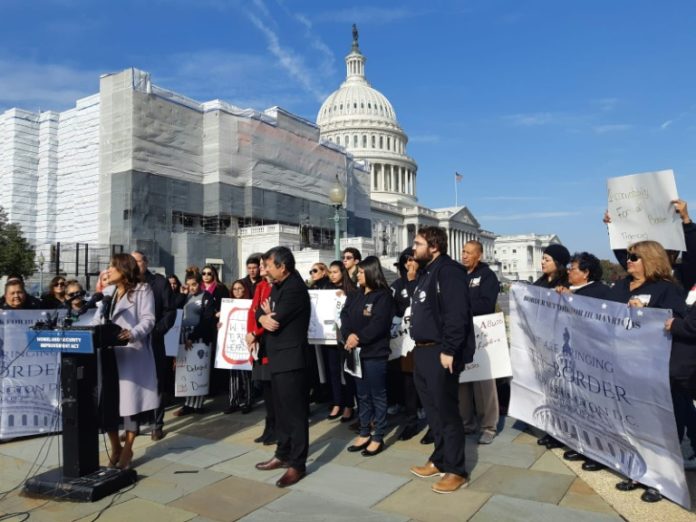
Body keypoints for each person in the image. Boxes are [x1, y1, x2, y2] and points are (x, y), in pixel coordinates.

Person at [608, 240, 687, 502]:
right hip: (623, 364)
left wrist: (647, 313)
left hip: (654, 368)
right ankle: (637, 471)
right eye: (628, 257)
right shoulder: (620, 285)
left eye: (634, 257)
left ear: (650, 260)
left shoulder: (666, 289)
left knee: (658, 423)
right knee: (632, 419)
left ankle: (663, 480)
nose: (628, 261)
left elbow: (678, 321)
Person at [408, 226, 475, 494]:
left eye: (418, 243)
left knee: (447, 413)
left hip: (441, 352)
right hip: (422, 351)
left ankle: (457, 469)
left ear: (434, 246)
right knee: (433, 412)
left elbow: (456, 315)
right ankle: (439, 459)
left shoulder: (449, 271)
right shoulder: (426, 272)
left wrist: (449, 349)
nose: (414, 248)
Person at [91, 253, 158, 470]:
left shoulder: (142, 290)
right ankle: (115, 448)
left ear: (124, 269)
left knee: (130, 404)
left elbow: (149, 319)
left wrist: (133, 333)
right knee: (108, 403)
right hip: (109, 354)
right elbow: (97, 320)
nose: (108, 271)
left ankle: (128, 448)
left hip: (130, 353)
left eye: (112, 267)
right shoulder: (107, 294)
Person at [254, 246, 311, 488]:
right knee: (281, 411)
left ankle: (297, 464)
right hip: (277, 358)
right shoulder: (276, 286)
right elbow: (260, 309)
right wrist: (262, 317)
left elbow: (276, 321)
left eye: (269, 265)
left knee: (296, 415)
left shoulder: (295, 289)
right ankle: (282, 453)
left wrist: (268, 317)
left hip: (291, 360)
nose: (264, 270)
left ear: (282, 267)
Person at [555, 252, 610, 470]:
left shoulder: (601, 293)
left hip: (594, 360)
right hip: (575, 357)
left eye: (573, 268)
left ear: (586, 273)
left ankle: (599, 453)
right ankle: (582, 444)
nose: (568, 271)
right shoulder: (571, 291)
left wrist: (572, 300)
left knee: (595, 407)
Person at [341, 256, 395, 456]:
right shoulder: (355, 295)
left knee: (377, 395)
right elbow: (344, 316)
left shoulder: (383, 296)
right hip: (355, 353)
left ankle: (378, 435)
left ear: (372, 272)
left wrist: (359, 338)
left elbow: (379, 325)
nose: (358, 275)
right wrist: (349, 336)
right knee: (362, 395)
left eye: (362, 272)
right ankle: (364, 431)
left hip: (375, 353)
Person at [459, 240, 500, 445]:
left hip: (483, 335)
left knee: (484, 383)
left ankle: (488, 426)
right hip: (461, 335)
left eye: (468, 253)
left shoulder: (487, 276)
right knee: (463, 381)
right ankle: (466, 423)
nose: (464, 255)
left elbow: (486, 304)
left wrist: (461, 306)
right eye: (463, 252)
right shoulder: (458, 275)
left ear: (479, 255)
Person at [131, 251, 176, 441]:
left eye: (138, 261)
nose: (134, 265)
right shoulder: (128, 284)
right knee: (133, 383)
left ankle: (157, 424)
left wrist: (156, 331)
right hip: (132, 343)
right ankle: (132, 425)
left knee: (157, 382)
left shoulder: (159, 282)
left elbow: (170, 312)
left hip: (153, 340)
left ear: (146, 262)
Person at [534, 243, 570, 450]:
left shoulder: (563, 284)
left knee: (559, 390)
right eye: (543, 259)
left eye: (546, 259)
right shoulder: (539, 282)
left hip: (557, 343)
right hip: (541, 341)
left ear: (558, 263)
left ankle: (560, 432)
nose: (542, 262)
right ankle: (550, 429)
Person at [174, 273, 217, 416]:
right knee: (186, 370)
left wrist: (193, 336)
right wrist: (182, 294)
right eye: (189, 284)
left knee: (197, 369)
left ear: (200, 284)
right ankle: (188, 403)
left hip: (197, 337)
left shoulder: (207, 297)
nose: (192, 287)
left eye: (194, 284)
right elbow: (175, 310)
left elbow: (206, 319)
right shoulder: (186, 296)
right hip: (183, 335)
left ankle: (196, 404)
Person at [390, 248, 421, 441]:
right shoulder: (397, 284)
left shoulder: (426, 280)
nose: (410, 263)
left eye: (413, 260)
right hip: (404, 341)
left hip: (425, 339)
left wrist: (412, 282)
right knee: (408, 381)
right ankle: (411, 420)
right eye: (406, 260)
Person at [246, 253, 277, 445]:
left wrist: (256, 332)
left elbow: (270, 315)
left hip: (271, 340)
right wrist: (251, 334)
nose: (260, 267)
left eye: (264, 265)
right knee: (266, 387)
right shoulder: (261, 286)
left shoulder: (277, 287)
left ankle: (276, 426)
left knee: (275, 389)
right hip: (259, 342)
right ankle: (269, 425)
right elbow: (254, 311)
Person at [324, 261, 357, 422]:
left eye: (335, 271)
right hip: (330, 337)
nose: (332, 274)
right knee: (333, 371)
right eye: (330, 272)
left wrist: (343, 298)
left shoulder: (351, 290)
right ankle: (337, 402)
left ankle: (349, 405)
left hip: (345, 338)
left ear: (342, 273)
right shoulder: (326, 289)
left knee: (347, 372)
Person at [225, 280, 253, 415]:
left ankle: (248, 402)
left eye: (240, 288)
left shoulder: (250, 304)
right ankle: (233, 402)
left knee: (246, 374)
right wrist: (220, 324)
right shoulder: (228, 306)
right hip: (232, 343)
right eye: (234, 289)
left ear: (244, 290)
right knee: (233, 374)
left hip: (245, 343)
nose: (237, 291)